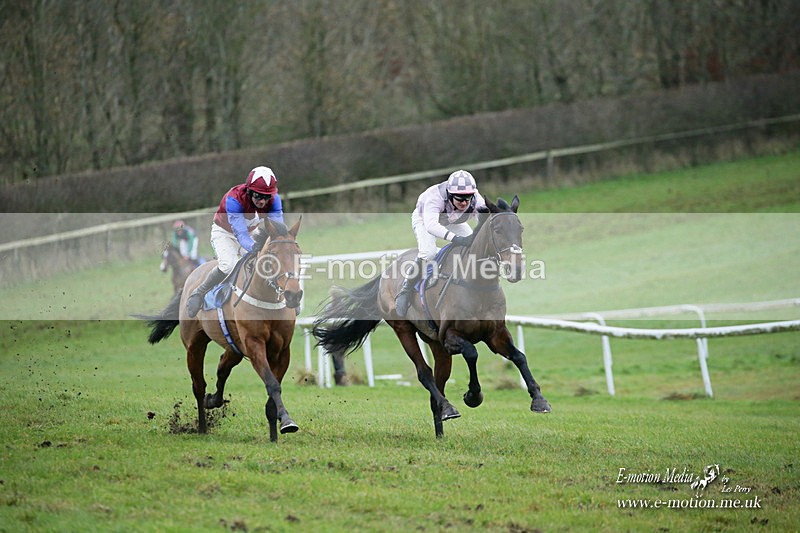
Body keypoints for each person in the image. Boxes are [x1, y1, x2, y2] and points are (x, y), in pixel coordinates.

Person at [185, 166, 284, 317]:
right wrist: (255, 247)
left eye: (267, 196)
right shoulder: (234, 199)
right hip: (225, 233)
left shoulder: (274, 200)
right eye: (258, 196)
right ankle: (199, 292)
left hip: (252, 232)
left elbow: (277, 230)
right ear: (249, 191)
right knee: (228, 265)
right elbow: (241, 234)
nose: (263, 201)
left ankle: (286, 296)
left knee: (267, 262)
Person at [395, 169, 487, 317]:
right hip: (425, 219)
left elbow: (485, 220)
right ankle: (406, 289)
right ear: (450, 195)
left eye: (468, 199)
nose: (464, 203)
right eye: (460, 199)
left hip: (453, 219)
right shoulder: (434, 197)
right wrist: (457, 239)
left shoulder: (475, 197)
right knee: (429, 252)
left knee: (473, 246)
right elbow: (431, 226)